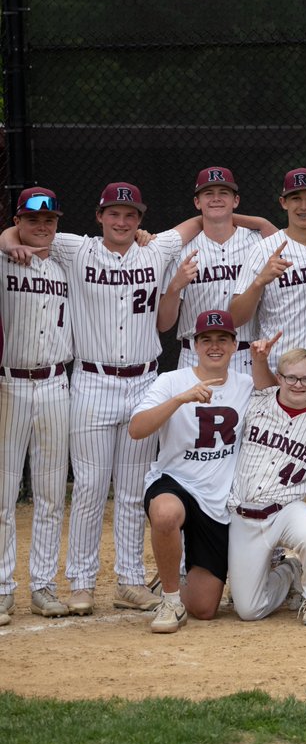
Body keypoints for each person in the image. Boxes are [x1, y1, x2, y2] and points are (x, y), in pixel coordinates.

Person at [0, 181, 205, 616]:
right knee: (90, 488)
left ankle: (129, 581)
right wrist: (7, 235)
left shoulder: (156, 250)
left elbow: (199, 220)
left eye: (131, 215)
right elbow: (22, 233)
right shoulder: (75, 249)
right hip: (91, 380)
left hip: (142, 381)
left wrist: (256, 223)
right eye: (114, 213)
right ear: (99, 216)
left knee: (133, 491)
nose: (122, 221)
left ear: (141, 220)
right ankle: (82, 582)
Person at [129, 309, 255, 632]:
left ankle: (173, 580)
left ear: (233, 344)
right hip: (177, 482)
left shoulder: (245, 385)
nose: (215, 346)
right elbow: (137, 428)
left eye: (222, 339)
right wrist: (180, 400)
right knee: (166, 513)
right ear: (195, 345)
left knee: (204, 608)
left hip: (217, 500)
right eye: (206, 340)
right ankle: (170, 602)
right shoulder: (172, 381)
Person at [0, 187, 72, 619]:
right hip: (10, 384)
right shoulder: (3, 260)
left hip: (56, 384)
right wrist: (7, 241)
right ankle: (2, 586)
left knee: (49, 494)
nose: (41, 228)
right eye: (31, 221)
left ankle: (43, 586)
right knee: (4, 495)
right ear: (18, 221)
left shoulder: (67, 263)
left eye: (48, 221)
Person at [234, 340, 306, 625]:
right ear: (279, 378)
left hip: (286, 508)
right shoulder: (254, 404)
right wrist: (258, 360)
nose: (298, 384)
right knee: (249, 610)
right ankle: (290, 572)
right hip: (244, 513)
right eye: (291, 377)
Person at [158, 167, 277, 375]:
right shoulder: (182, 249)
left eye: (223, 193)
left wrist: (262, 223)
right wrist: (175, 286)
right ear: (197, 202)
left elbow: (290, 251)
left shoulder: (258, 243)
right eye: (208, 193)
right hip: (193, 357)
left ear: (236, 200)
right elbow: (164, 324)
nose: (216, 199)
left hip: (245, 356)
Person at [230, 168, 306, 372]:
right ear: (283, 203)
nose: (304, 206)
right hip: (279, 368)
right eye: (295, 198)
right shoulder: (263, 249)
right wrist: (259, 281)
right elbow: (235, 318)